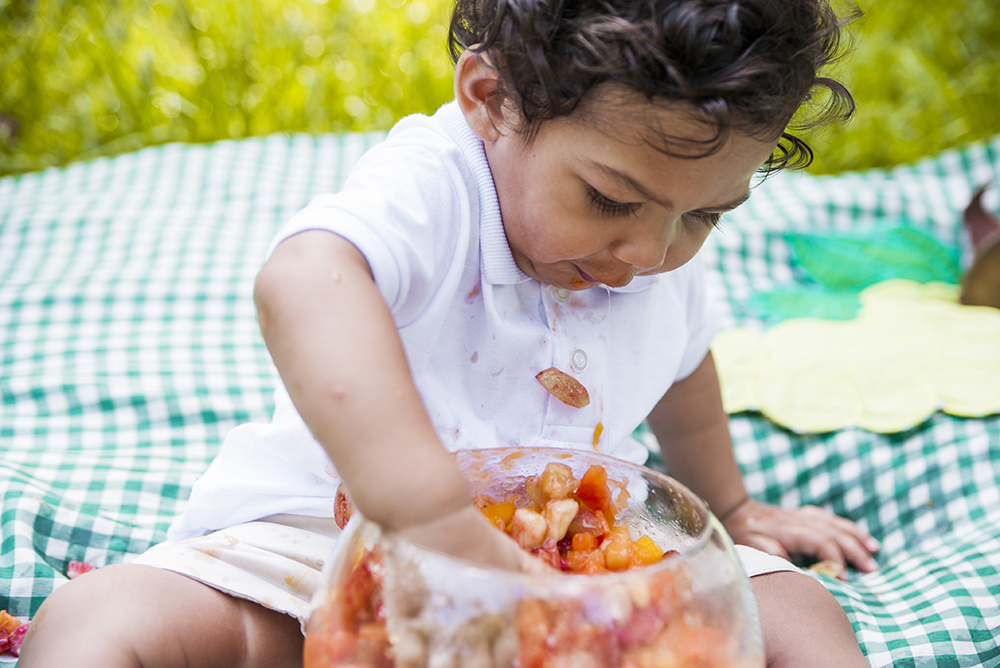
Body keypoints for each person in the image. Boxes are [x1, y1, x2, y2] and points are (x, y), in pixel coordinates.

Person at [19, 0, 877, 666]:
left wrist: (727, 507)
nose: (648, 254)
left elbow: (684, 361)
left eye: (706, 217)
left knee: (803, 617)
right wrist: (427, 518)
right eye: (611, 201)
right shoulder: (436, 187)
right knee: (105, 621)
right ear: (492, 99)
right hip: (328, 547)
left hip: (577, 565)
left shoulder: (656, 243)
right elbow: (303, 280)